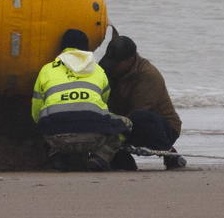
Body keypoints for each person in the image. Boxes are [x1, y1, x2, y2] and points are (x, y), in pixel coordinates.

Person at [31, 28, 129, 172]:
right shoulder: (97, 70)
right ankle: (100, 158)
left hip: (56, 137)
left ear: (62, 48)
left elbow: (36, 113)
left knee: (46, 118)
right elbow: (104, 105)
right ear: (87, 48)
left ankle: (57, 155)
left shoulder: (47, 69)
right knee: (126, 124)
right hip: (94, 137)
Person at [102, 34, 186, 169]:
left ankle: (169, 153)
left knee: (139, 117)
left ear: (130, 60)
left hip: (162, 129)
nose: (112, 66)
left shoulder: (147, 74)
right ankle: (122, 158)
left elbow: (139, 111)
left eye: (116, 63)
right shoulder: (109, 69)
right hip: (124, 121)